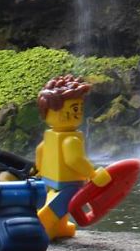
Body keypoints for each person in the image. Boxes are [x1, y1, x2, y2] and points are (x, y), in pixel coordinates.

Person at [34, 73, 112, 240]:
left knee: (54, 205)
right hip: (69, 184)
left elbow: (41, 150)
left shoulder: (51, 135)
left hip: (48, 180)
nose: (78, 112)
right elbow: (74, 160)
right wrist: (93, 174)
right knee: (56, 208)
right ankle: (41, 228)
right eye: (74, 108)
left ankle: (59, 227)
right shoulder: (70, 140)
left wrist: (38, 170)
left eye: (80, 108)